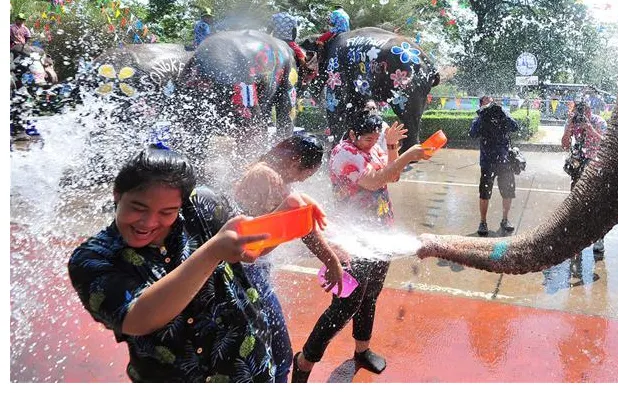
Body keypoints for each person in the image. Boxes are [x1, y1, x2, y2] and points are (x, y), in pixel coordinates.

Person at [67, 146, 333, 382]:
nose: (148, 222)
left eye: (167, 212)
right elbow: (138, 318)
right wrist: (211, 252)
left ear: (181, 204)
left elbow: (250, 251)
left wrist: (286, 213)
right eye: (137, 207)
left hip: (250, 368)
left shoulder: (202, 205)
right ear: (117, 195)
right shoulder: (92, 258)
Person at [293, 113, 427, 382]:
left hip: (380, 235)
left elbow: (393, 177)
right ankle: (304, 361)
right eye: (368, 138)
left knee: (370, 295)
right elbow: (375, 181)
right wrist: (407, 156)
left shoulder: (373, 146)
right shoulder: (345, 154)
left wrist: (391, 148)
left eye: (376, 138)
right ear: (352, 134)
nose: (372, 143)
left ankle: (362, 350)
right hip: (353, 240)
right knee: (344, 306)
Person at [232, 132, 346, 383]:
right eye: (307, 173)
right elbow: (300, 225)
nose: (304, 180)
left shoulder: (269, 171)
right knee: (280, 353)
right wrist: (331, 260)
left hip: (249, 266)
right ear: (295, 161)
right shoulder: (267, 176)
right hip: (248, 270)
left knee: (254, 343)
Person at [561, 100, 608, 259]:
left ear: (590, 111)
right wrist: (569, 128)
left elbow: (607, 143)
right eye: (580, 112)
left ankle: (598, 239)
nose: (583, 115)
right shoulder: (573, 122)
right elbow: (565, 145)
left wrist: (590, 129)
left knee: (597, 204)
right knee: (575, 201)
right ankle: (576, 238)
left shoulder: (599, 121)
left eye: (585, 112)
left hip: (595, 165)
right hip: (578, 165)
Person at [470, 96, 519, 236]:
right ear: (481, 105)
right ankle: (483, 222)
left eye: (491, 102)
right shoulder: (480, 118)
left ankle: (505, 220)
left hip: (505, 162)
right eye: (486, 102)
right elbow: (472, 133)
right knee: (485, 193)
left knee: (508, 192)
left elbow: (515, 127)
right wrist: (482, 115)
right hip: (487, 162)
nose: (490, 104)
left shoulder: (502, 114)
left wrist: (503, 113)